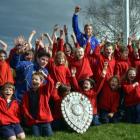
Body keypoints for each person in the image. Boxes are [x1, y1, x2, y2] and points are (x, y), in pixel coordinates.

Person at [22, 71, 54, 137]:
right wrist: (29, 117)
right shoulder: (27, 93)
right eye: (33, 79)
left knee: (49, 136)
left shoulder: (45, 90)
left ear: (41, 81)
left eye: (36, 79)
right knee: (36, 136)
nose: (34, 81)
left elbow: (51, 83)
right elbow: (24, 106)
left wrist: (45, 75)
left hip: (45, 120)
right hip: (34, 120)